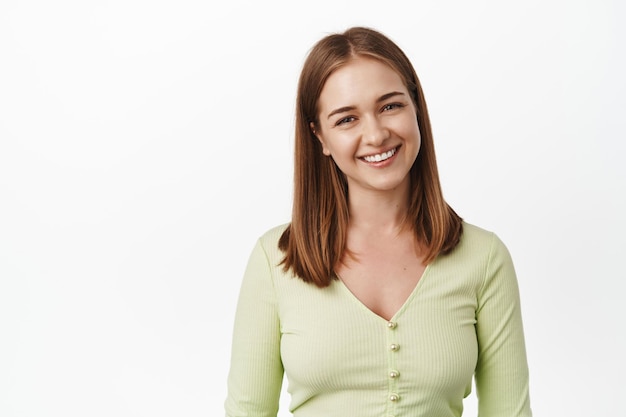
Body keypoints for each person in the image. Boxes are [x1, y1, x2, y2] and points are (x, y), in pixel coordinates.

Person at [225, 26, 532, 417]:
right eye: (346, 119)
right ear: (319, 137)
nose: (376, 134)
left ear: (416, 106)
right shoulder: (275, 260)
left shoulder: (484, 258)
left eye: (390, 106)